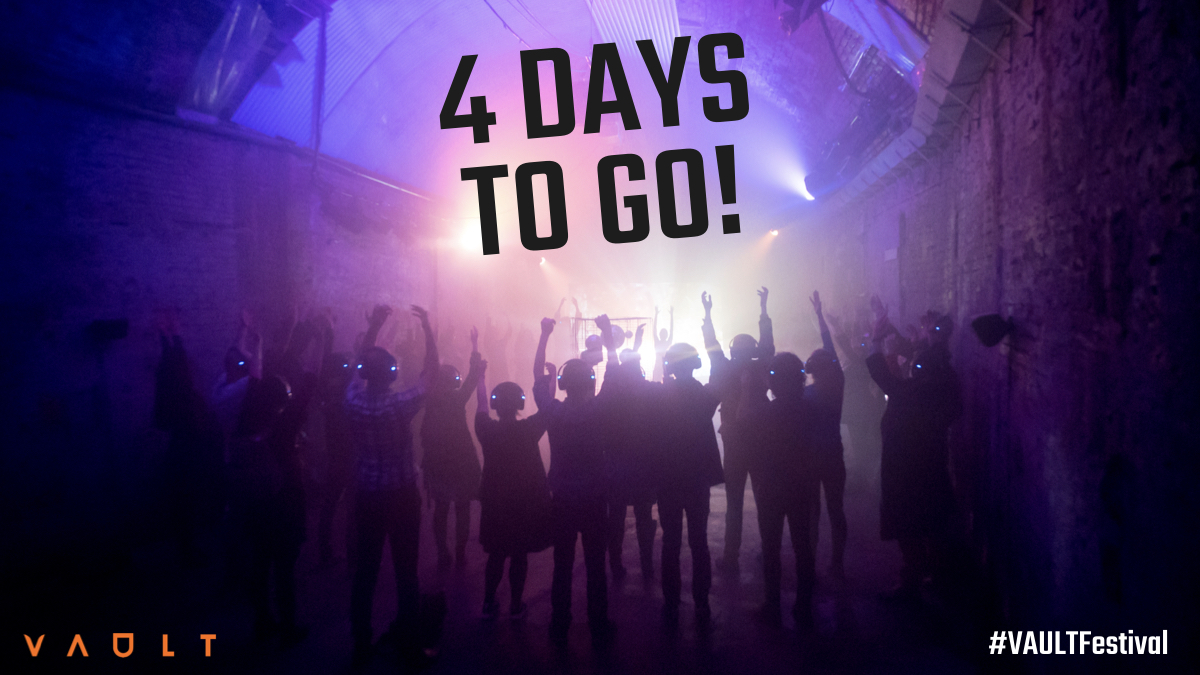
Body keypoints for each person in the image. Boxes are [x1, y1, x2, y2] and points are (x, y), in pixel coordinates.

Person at [345, 304, 438, 669]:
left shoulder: (352, 400)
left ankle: (361, 645)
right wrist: (428, 329)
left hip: (368, 496)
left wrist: (375, 326)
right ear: (392, 374)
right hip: (401, 496)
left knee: (365, 573)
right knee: (406, 572)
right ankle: (411, 648)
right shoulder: (400, 403)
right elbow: (430, 375)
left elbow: (357, 367)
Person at [865, 300, 962, 601]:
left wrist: (875, 341)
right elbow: (929, 360)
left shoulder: (913, 393)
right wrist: (929, 338)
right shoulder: (947, 384)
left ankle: (912, 582)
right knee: (932, 521)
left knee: (908, 524)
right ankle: (938, 576)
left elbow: (881, 375)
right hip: (932, 463)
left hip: (906, 469)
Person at [534, 316, 616, 646]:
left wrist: (544, 336)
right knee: (596, 565)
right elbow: (614, 373)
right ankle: (598, 623)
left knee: (562, 565)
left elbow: (537, 375)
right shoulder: (600, 409)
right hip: (595, 498)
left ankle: (559, 623)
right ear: (590, 382)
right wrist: (607, 335)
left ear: (564, 384)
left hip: (563, 500)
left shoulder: (553, 412)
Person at [229, 373, 312, 646]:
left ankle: (262, 622)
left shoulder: (244, 425)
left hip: (255, 508)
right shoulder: (283, 429)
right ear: (282, 399)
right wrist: (323, 345)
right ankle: (288, 627)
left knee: (260, 567)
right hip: (283, 508)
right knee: (284, 572)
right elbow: (308, 385)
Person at [742, 352, 819, 630]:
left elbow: (752, 450)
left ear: (774, 380)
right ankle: (804, 606)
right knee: (803, 547)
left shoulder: (764, 413)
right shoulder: (811, 410)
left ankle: (772, 606)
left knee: (771, 547)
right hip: (802, 486)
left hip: (772, 487)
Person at [701, 287, 774, 575]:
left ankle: (731, 556)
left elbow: (711, 345)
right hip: (761, 444)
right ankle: (768, 553)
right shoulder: (761, 366)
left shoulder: (724, 368)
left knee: (734, 504)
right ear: (752, 351)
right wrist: (763, 310)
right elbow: (767, 344)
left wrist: (708, 314)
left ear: (733, 351)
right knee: (765, 501)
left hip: (734, 445)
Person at [474, 359, 552, 620]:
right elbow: (547, 409)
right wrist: (550, 380)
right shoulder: (528, 429)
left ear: (496, 404)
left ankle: (488, 603)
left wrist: (481, 377)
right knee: (519, 555)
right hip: (523, 503)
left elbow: (481, 404)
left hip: (495, 503)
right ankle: (516, 606)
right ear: (520, 403)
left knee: (496, 555)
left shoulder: (486, 429)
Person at [655, 342, 723, 625]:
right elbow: (720, 372)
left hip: (668, 479)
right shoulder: (705, 395)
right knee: (699, 542)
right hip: (696, 479)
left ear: (670, 366)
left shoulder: (659, 397)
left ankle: (671, 603)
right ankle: (701, 603)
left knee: (670, 542)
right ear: (695, 364)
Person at [421, 328, 483, 570]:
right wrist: (475, 344)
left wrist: (428, 332)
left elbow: (430, 366)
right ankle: (460, 553)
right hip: (462, 462)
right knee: (462, 508)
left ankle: (442, 553)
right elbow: (473, 376)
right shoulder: (457, 398)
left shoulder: (430, 398)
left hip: (437, 462)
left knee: (441, 508)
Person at [602, 341, 658, 584]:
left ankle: (616, 565)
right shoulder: (649, 393)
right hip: (644, 466)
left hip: (615, 467)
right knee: (644, 515)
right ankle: (647, 566)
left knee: (615, 516)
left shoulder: (611, 397)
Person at [805, 291, 848, 580]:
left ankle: (809, 559)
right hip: (833, 452)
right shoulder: (837, 384)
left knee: (812, 511)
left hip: (811, 457)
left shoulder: (806, 394)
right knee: (835, 509)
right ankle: (837, 561)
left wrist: (820, 315)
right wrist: (819, 316)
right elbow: (829, 347)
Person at [652, 306, 674, 383]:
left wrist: (656, 314)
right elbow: (654, 330)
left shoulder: (660, 342)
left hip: (662, 365)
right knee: (666, 384)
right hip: (663, 365)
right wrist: (671, 315)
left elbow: (654, 329)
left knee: (656, 383)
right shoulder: (664, 342)